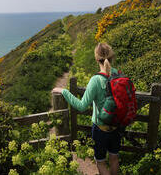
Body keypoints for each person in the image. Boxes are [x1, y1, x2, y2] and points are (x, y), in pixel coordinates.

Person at [52, 43, 121, 175]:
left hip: (100, 128)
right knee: (114, 158)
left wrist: (64, 92)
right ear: (112, 57)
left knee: (100, 162)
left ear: (96, 59)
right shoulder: (118, 74)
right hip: (117, 125)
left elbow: (82, 106)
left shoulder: (95, 80)